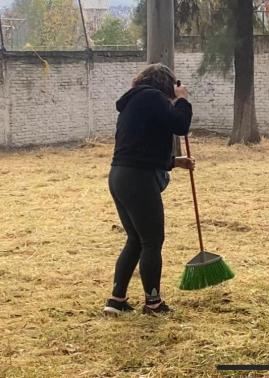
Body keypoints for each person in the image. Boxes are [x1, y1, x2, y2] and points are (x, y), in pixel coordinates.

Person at [103, 63, 194, 316]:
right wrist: (183, 100)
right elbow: (180, 125)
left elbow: (142, 146)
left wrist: (175, 162)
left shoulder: (135, 102)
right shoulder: (153, 98)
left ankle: (116, 300)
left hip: (120, 175)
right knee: (153, 241)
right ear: (166, 84)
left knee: (136, 239)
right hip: (139, 179)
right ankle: (153, 303)